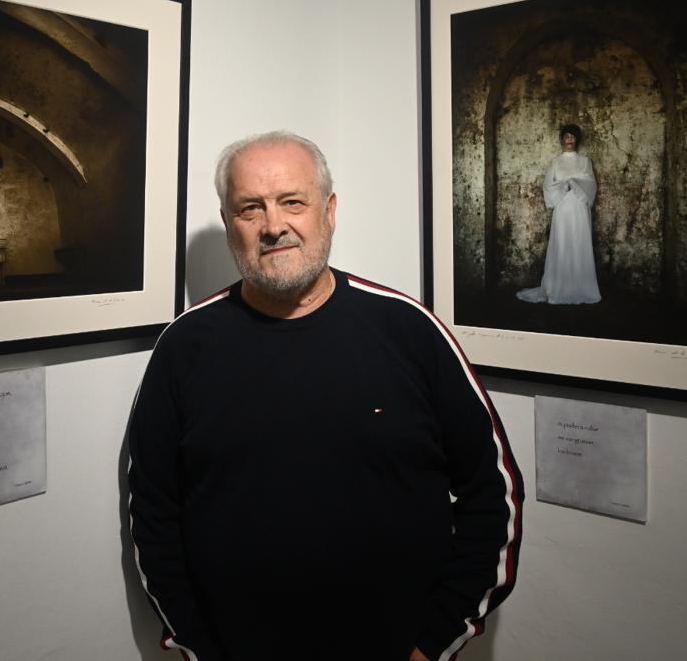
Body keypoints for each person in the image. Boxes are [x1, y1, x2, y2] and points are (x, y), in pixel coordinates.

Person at [127, 131, 522, 661]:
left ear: (329, 211)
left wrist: (434, 642)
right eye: (250, 208)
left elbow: (492, 494)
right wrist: (198, 646)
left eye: (293, 202)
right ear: (228, 225)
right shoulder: (184, 349)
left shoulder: (410, 331)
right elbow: (153, 516)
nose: (274, 226)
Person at [517, 124, 602, 305]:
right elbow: (548, 186)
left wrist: (575, 183)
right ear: (562, 139)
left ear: (577, 139)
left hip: (579, 207)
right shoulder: (555, 162)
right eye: (566, 136)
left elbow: (591, 184)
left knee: (579, 243)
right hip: (563, 207)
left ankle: (581, 287)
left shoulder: (585, 161)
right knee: (562, 243)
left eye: (572, 136)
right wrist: (565, 185)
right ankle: (558, 286)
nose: (569, 139)